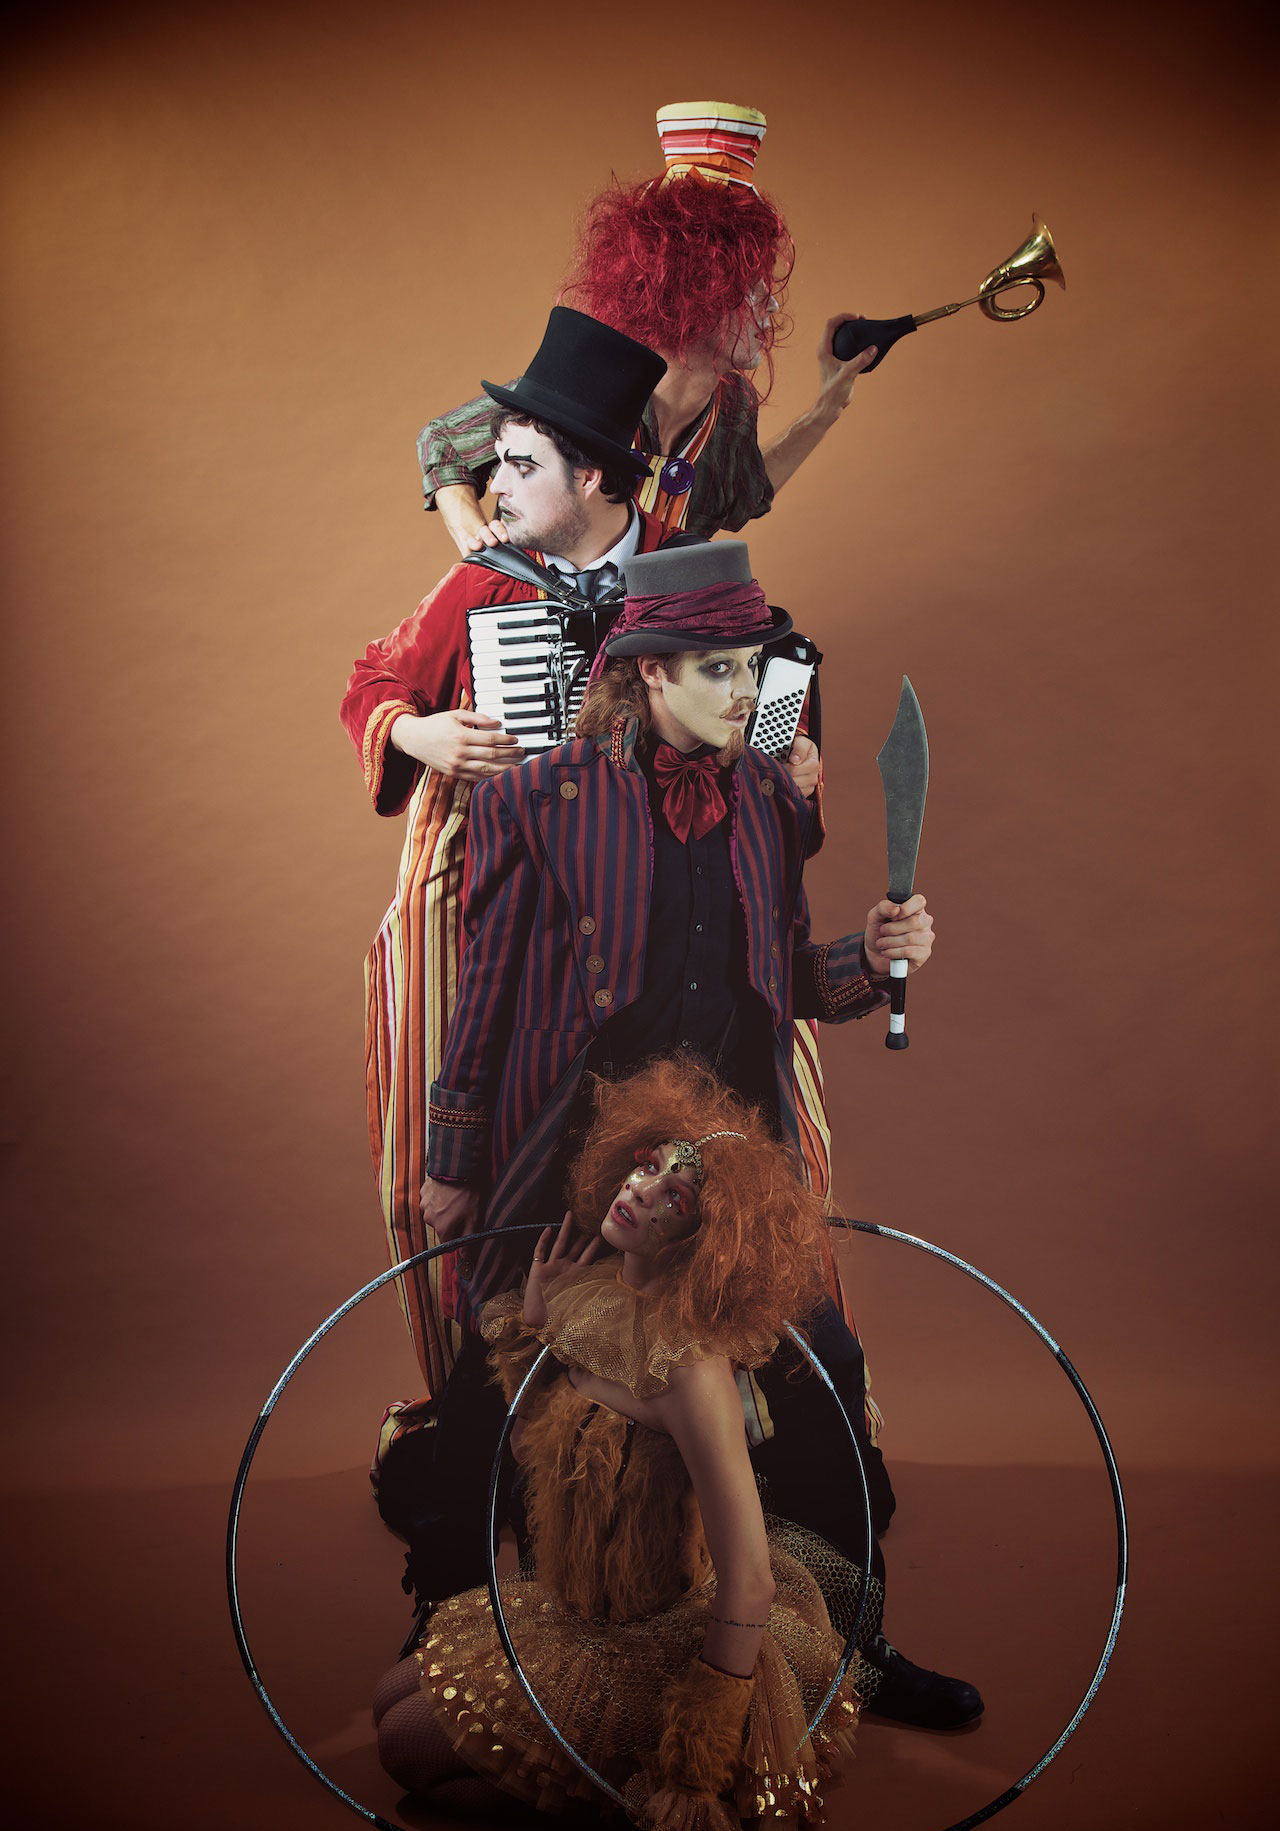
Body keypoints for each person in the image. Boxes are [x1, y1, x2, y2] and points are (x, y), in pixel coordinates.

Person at [415, 539, 982, 1729]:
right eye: (718, 668)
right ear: (648, 672)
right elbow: (486, 996)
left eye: (752, 666)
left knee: (824, 1380)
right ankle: (453, 1639)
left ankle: (853, 1648)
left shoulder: (767, 800)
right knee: (495, 1396)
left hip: (723, 1169)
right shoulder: (535, 803)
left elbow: (780, 977)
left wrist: (872, 963)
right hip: (570, 1164)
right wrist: (453, 1161)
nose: (746, 692)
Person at [341, 310, 822, 1403]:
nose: (495, 489)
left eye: (520, 466)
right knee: (491, 1112)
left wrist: (793, 766)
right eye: (497, 464)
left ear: (595, 475)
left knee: (745, 1105)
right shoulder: (484, 581)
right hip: (522, 879)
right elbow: (373, 682)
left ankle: (741, 1393)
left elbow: (762, 710)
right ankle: (497, 1394)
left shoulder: (684, 570)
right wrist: (421, 734)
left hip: (666, 895)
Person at [373, 1059, 881, 1831]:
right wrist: (538, 1319)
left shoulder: (692, 1367)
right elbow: (545, 1451)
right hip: (576, 1614)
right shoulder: (596, 1292)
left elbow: (750, 1577)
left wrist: (696, 1761)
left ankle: (629, 1800)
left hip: (654, 1644)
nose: (641, 1191)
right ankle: (587, 1781)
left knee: (405, 1749)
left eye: (675, 1196)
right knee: (391, 1698)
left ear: (707, 1238)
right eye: (647, 1167)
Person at [417, 101, 877, 552]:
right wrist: (480, 543)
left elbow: (744, 493)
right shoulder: (593, 378)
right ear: (699, 294)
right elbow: (444, 442)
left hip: (656, 604)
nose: (772, 305)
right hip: (541, 599)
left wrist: (827, 407)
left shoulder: (732, 406)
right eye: (752, 291)